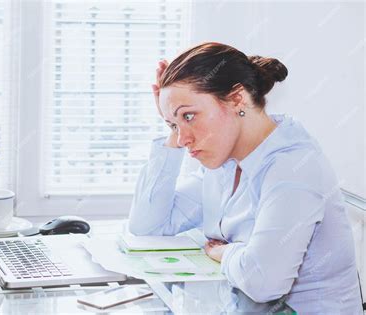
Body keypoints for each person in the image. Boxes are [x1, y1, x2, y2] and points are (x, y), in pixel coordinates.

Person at [128, 42, 363, 313]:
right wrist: (173, 124)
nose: (182, 140)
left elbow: (263, 282)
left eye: (189, 116)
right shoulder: (225, 162)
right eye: (174, 125)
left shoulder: (293, 167)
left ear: (237, 99)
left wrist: (225, 253)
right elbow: (148, 226)